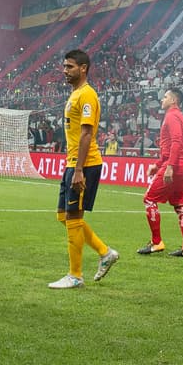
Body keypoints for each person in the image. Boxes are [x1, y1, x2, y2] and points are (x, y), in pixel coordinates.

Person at [48, 49, 118, 289]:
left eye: (69, 67)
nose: (64, 71)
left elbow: (87, 134)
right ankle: (104, 252)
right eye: (64, 66)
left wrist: (78, 170)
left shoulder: (87, 95)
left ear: (83, 68)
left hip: (84, 165)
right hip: (73, 163)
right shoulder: (76, 94)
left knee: (74, 217)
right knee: (63, 216)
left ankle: (75, 275)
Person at [137, 87, 183, 258]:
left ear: (174, 100)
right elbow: (171, 147)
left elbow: (176, 142)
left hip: (174, 167)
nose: (162, 99)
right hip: (182, 166)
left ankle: (156, 242)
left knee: (149, 199)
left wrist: (169, 166)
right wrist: (158, 164)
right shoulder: (178, 116)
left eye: (165, 97)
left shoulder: (172, 116)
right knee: (181, 206)